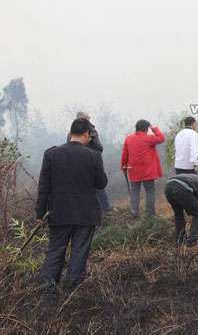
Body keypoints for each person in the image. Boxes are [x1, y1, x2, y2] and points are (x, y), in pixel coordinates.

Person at [36, 118, 108, 292]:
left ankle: (47, 290)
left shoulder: (51, 154)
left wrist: (40, 213)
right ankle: (72, 293)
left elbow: (44, 186)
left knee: (55, 251)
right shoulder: (93, 156)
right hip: (86, 215)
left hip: (59, 213)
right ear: (86, 134)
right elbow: (101, 183)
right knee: (79, 252)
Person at [67, 111, 113, 215]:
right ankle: (105, 209)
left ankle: (100, 209)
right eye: (88, 117)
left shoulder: (71, 133)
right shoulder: (91, 131)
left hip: (77, 164)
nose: (90, 119)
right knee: (98, 185)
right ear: (83, 119)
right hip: (91, 162)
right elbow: (99, 147)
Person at [121, 120, 165, 218]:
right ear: (146, 129)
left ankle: (134, 213)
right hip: (148, 171)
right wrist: (153, 127)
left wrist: (124, 167)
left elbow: (125, 155)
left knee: (134, 192)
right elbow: (161, 138)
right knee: (150, 191)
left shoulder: (129, 139)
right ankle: (150, 214)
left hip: (133, 171)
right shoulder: (148, 138)